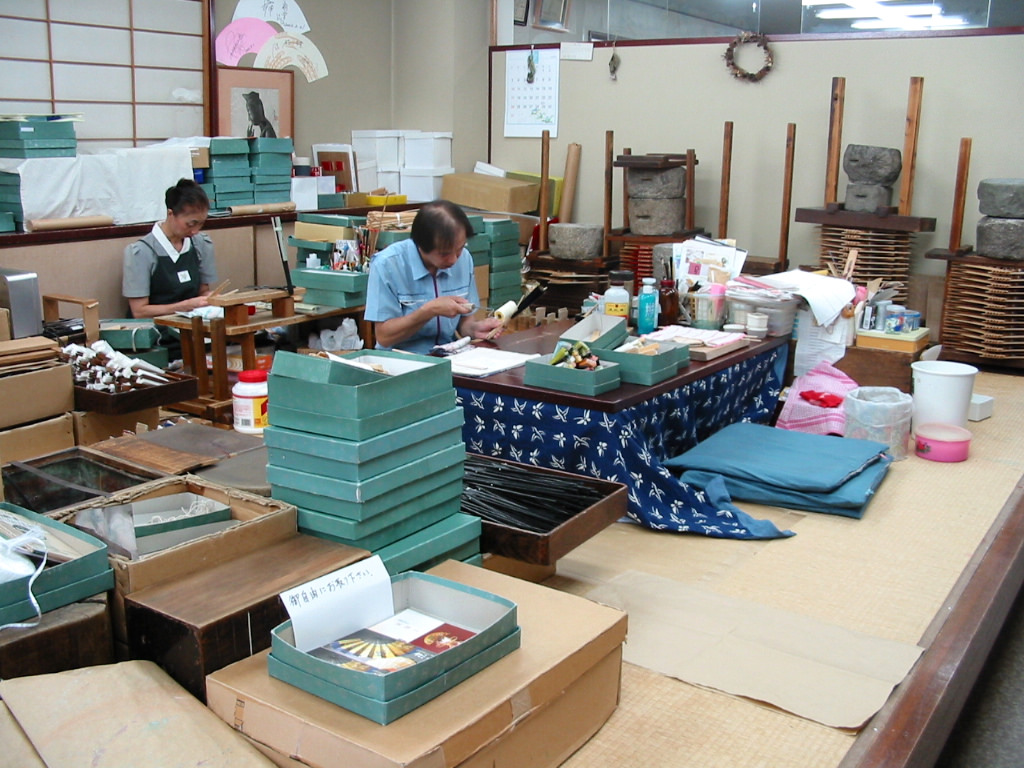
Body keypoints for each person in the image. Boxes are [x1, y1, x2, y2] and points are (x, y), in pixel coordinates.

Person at [364, 199, 503, 354]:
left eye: (459, 249)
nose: (453, 260)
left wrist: (475, 329)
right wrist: (429, 311)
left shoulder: (464, 259)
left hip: (449, 356)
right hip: (401, 361)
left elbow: (465, 322)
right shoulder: (387, 265)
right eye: (444, 254)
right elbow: (384, 336)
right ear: (421, 245)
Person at [123, 178, 218, 320]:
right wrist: (183, 306)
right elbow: (139, 311)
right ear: (170, 214)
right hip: (155, 330)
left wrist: (212, 299)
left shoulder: (200, 244)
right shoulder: (141, 252)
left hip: (193, 324)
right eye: (191, 224)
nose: (195, 231)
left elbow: (203, 291)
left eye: (201, 224)